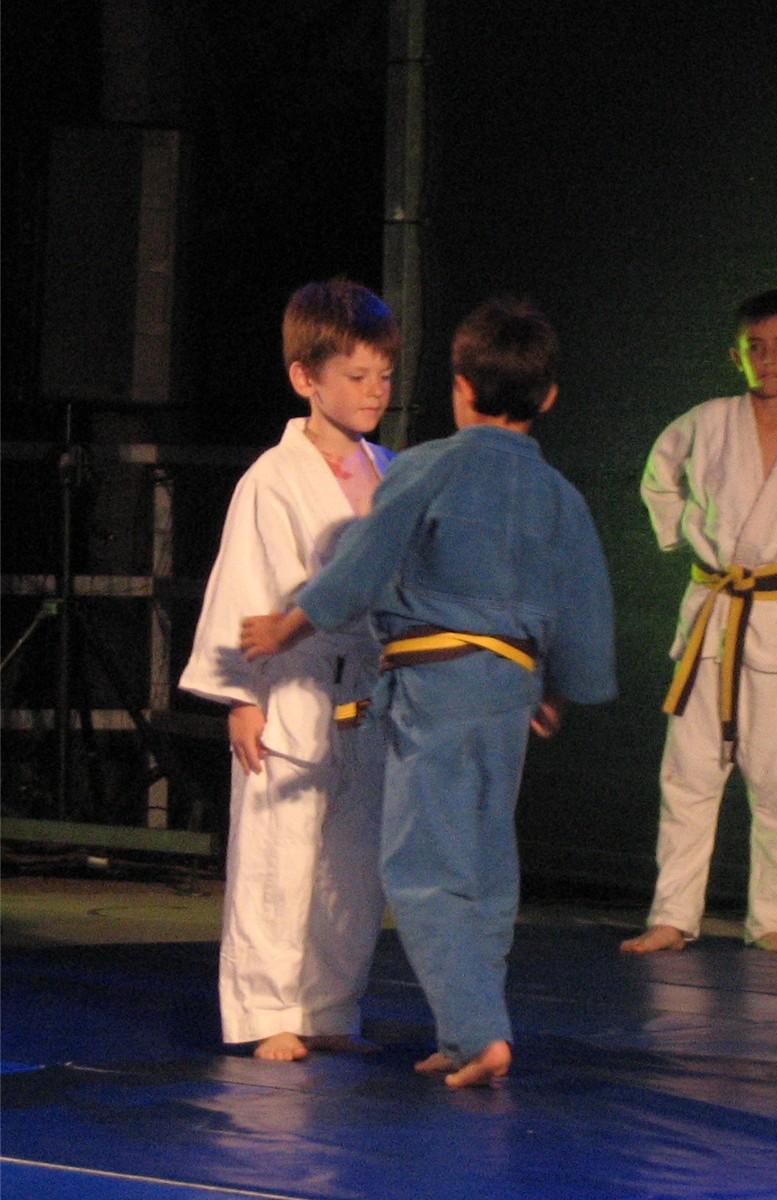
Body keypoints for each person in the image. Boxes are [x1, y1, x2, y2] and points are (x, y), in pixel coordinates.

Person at [241, 297, 617, 1086]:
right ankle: (467, 1028)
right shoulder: (561, 495)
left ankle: (478, 1034)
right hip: (510, 692)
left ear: (460, 386)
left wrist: (287, 627)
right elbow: (584, 605)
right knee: (485, 863)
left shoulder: (428, 468)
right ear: (548, 397)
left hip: (436, 687)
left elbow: (360, 566)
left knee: (422, 864)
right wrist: (560, 690)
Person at [180, 278, 398, 1062]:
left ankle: (329, 1006)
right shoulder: (270, 479)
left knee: (353, 867)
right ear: (306, 377)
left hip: (369, 693)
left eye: (384, 375)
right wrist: (240, 698)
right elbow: (244, 588)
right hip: (289, 690)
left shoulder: (393, 471)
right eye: (356, 375)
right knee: (278, 857)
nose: (374, 391)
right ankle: (267, 1008)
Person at [623, 289, 777, 956]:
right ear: (737, 356)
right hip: (712, 613)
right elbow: (657, 476)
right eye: (755, 347)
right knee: (689, 774)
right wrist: (685, 533)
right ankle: (673, 915)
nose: (769, 359)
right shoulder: (706, 421)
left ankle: (776, 920)